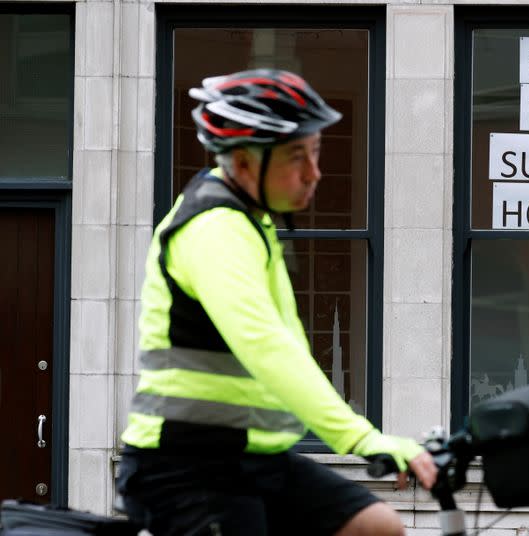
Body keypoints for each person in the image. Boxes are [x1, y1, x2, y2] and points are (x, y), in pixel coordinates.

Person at [116, 69, 437, 536]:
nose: (314, 173)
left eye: (316, 151)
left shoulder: (254, 223)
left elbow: (286, 342)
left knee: (375, 527)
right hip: (186, 468)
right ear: (244, 164)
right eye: (295, 157)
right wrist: (361, 437)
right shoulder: (214, 230)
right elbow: (268, 346)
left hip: (255, 458)